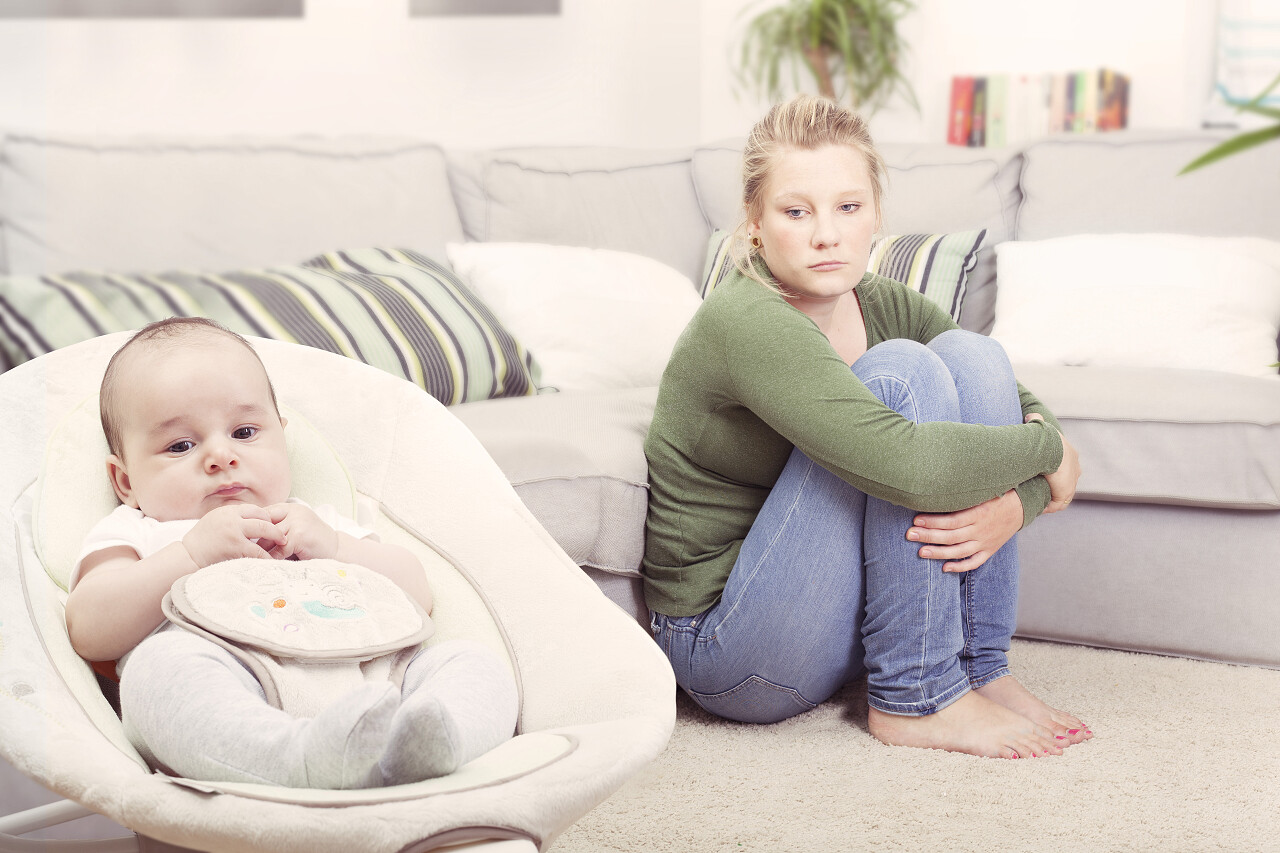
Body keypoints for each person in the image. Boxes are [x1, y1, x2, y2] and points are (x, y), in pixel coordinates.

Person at [642, 95, 1090, 760]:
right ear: (757, 224)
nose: (827, 234)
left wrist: (1011, 505)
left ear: (876, 212)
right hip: (730, 648)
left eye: (848, 207)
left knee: (975, 355)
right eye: (797, 211)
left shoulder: (880, 301)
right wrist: (1049, 454)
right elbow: (914, 466)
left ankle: (981, 666)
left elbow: (1016, 399)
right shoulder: (748, 320)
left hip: (825, 609)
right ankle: (917, 693)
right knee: (900, 376)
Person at [64, 317, 518, 789]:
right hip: (236, 687)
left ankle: (433, 747)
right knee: (157, 673)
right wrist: (190, 553)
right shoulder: (142, 532)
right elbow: (90, 627)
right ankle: (292, 759)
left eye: (244, 432)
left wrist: (335, 546)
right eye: (180, 445)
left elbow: (416, 593)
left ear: (282, 436)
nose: (220, 456)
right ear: (125, 482)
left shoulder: (312, 522)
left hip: (375, 680)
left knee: (471, 661)